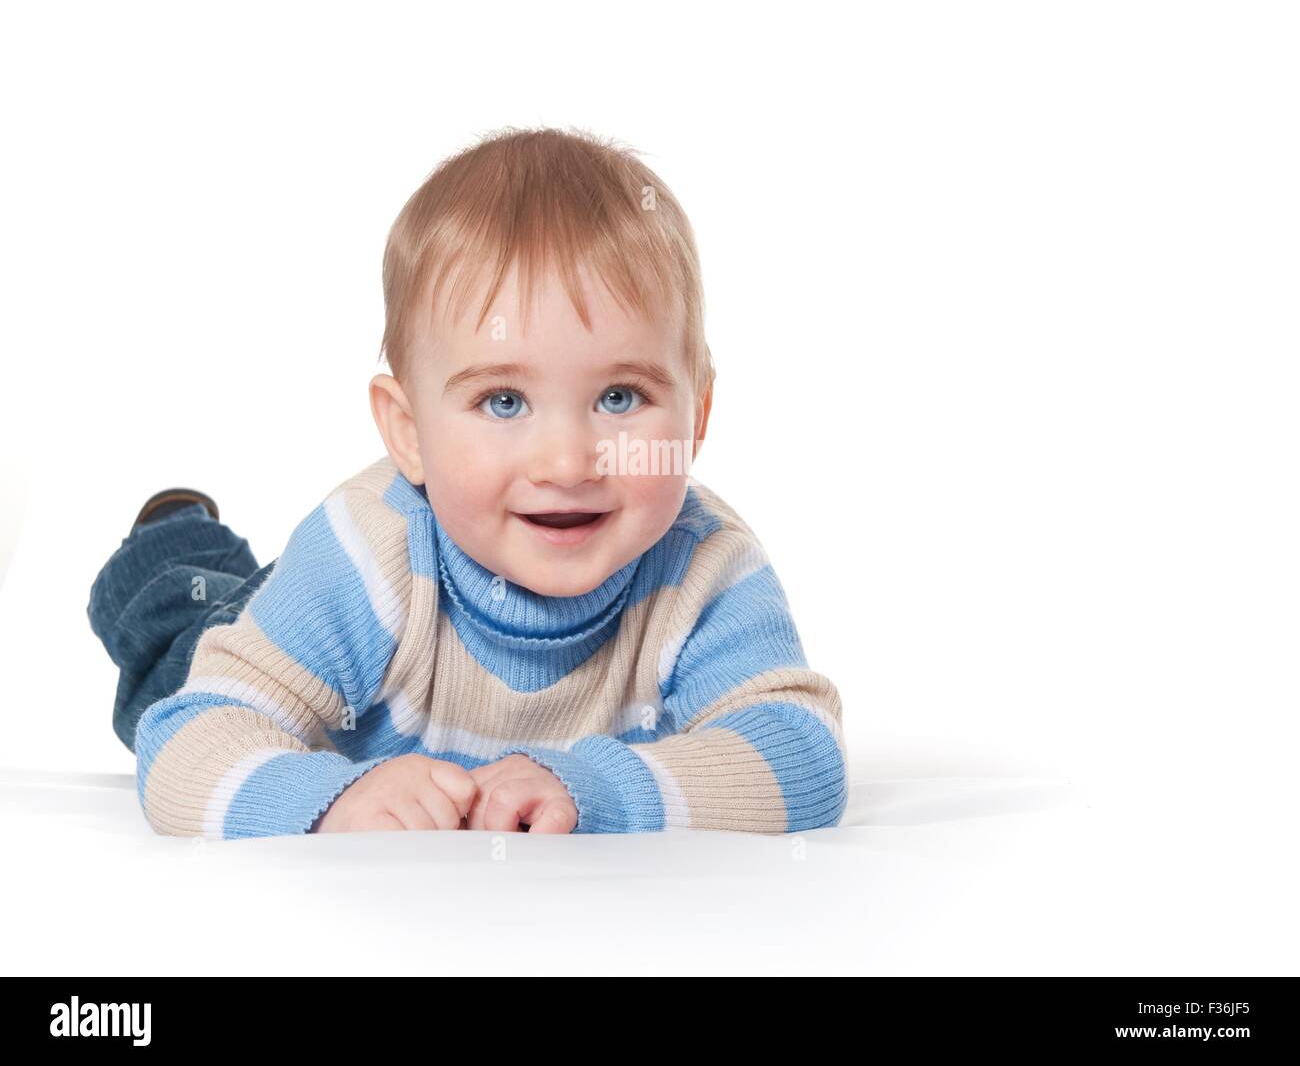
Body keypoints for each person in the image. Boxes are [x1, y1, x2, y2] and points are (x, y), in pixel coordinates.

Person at [87, 126, 849, 839]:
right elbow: (187, 740)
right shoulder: (365, 557)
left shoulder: (703, 566)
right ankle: (173, 539)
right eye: (504, 402)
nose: (567, 465)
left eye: (620, 397)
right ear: (409, 432)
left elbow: (802, 751)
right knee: (182, 630)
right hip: (290, 622)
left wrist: (599, 788)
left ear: (698, 414)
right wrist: (334, 799)